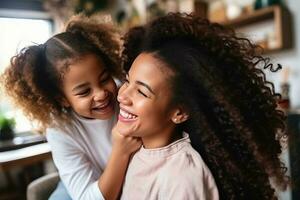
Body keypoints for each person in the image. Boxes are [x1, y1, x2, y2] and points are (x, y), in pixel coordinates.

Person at [117, 13, 289, 200]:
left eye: (142, 92)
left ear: (179, 113)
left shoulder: (181, 179)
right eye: (127, 81)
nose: (123, 95)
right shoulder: (134, 150)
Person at [1, 14, 141, 200]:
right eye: (84, 92)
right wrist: (120, 150)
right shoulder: (60, 130)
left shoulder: (126, 94)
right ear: (62, 99)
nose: (101, 94)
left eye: (105, 78)